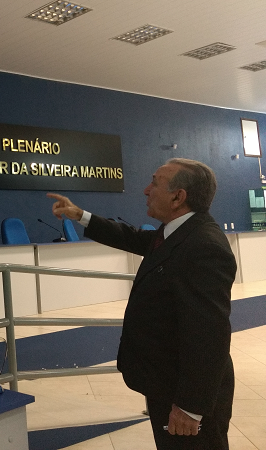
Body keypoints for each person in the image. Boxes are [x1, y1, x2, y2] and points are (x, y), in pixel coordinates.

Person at [48, 158, 236, 450]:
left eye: (155, 183)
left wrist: (190, 406)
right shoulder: (178, 231)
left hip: (185, 394)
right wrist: (80, 215)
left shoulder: (203, 246)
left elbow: (209, 335)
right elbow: (133, 237)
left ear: (178, 197)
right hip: (166, 382)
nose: (147, 190)